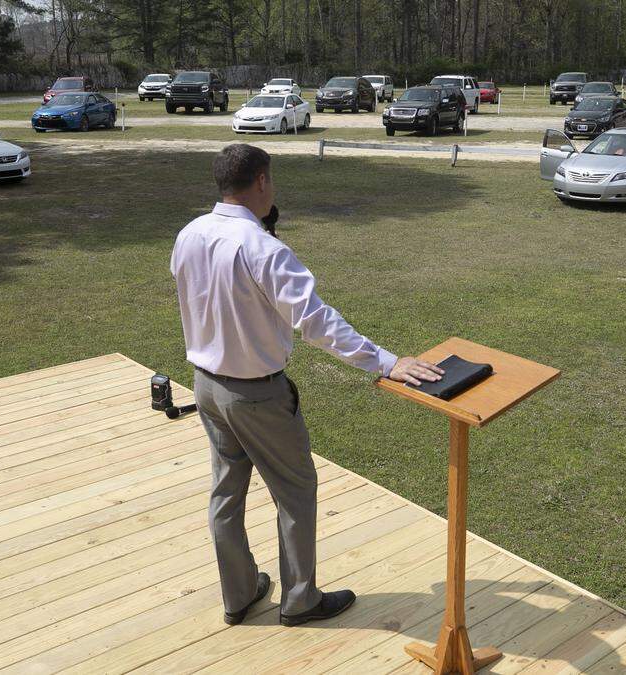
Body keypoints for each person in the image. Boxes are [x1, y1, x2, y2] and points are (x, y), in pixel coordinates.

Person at [170, 143, 444, 627]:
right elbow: (315, 323)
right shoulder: (263, 248)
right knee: (295, 492)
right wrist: (384, 361)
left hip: (206, 386)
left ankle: (239, 596)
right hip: (257, 394)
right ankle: (299, 600)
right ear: (260, 182)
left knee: (226, 493)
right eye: (270, 181)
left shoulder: (189, 234)